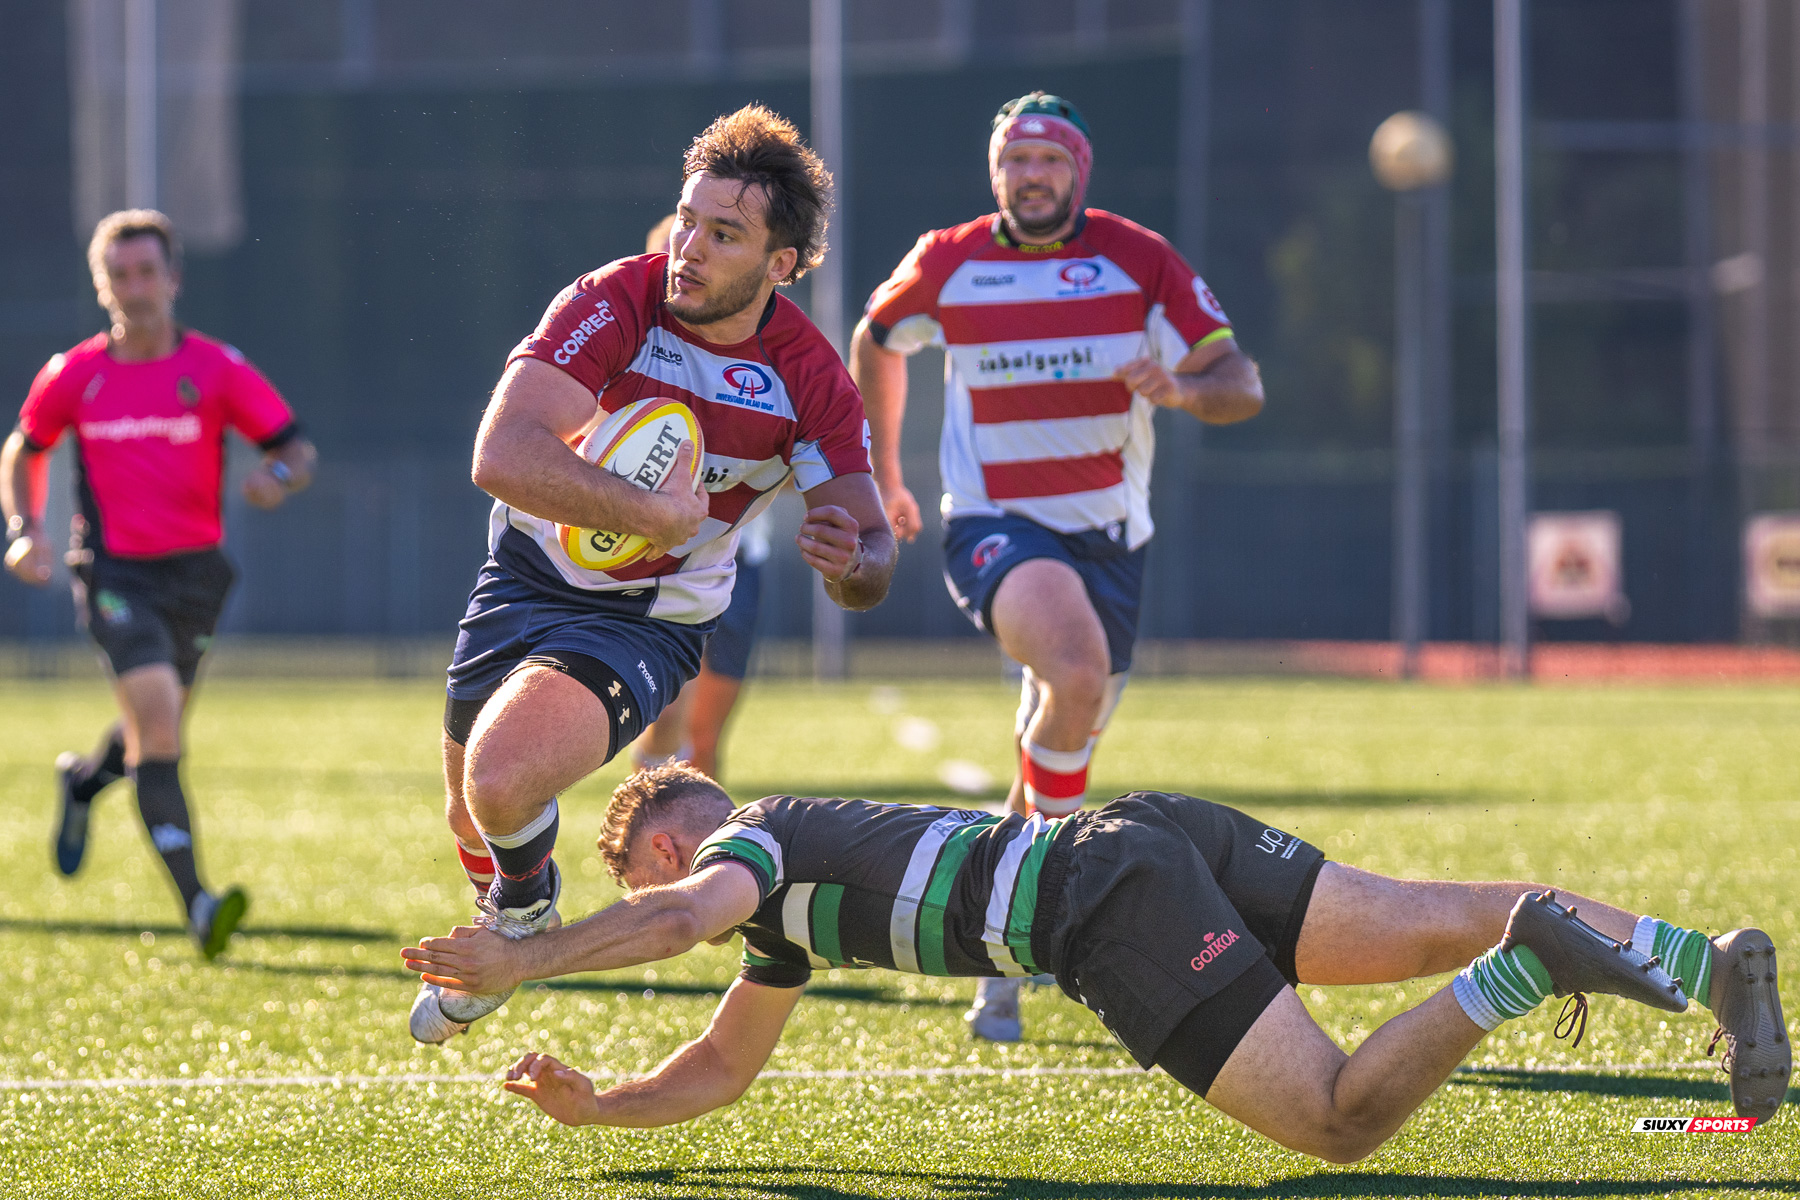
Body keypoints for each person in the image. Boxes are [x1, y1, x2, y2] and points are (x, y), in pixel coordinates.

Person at [402, 764, 1788, 1154]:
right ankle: (1711, 975)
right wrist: (604, 1106)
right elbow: (717, 1069)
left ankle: (1527, 970)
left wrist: (526, 960)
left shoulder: (749, 849)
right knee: (1438, 908)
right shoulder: (775, 918)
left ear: (670, 847)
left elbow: (672, 923)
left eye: (664, 859)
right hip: (1142, 831)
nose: (679, 878)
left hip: (1105, 906)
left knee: (1339, 1123)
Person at [410, 106, 896, 1044]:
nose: (691, 248)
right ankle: (522, 900)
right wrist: (649, 510)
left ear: (781, 263)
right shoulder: (614, 300)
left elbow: (871, 551)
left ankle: (516, 926)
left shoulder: (810, 378)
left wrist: (853, 568)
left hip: (651, 617)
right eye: (687, 220)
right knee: (468, 802)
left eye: (725, 234)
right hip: (524, 572)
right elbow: (500, 453)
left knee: (501, 780)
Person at [849, 92, 1265, 1039]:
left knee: (1061, 721)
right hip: (997, 524)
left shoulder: (1139, 257)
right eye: (1014, 163)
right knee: (1073, 675)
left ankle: (996, 941)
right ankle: (1049, 919)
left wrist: (1186, 388)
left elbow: (1242, 380)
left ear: (1079, 172)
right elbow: (876, 341)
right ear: (996, 173)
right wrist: (883, 474)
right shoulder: (950, 260)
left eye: (1050, 163)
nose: (1031, 178)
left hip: (1112, 541)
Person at [1, 208, 317, 958]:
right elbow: (24, 449)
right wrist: (24, 530)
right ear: (102, 284)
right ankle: (200, 902)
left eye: (147, 272)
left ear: (173, 279)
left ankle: (84, 782)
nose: (134, 288)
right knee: (162, 728)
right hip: (113, 576)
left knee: (155, 723)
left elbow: (294, 448)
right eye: (119, 274)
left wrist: (277, 476)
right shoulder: (74, 374)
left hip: (197, 579)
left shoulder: (213, 369)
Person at [631, 214, 773, 781]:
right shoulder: (636, 346)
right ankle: (642, 813)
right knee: (668, 712)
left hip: (739, 558)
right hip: (661, 550)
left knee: (708, 736)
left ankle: (707, 854)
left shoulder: (768, 348)